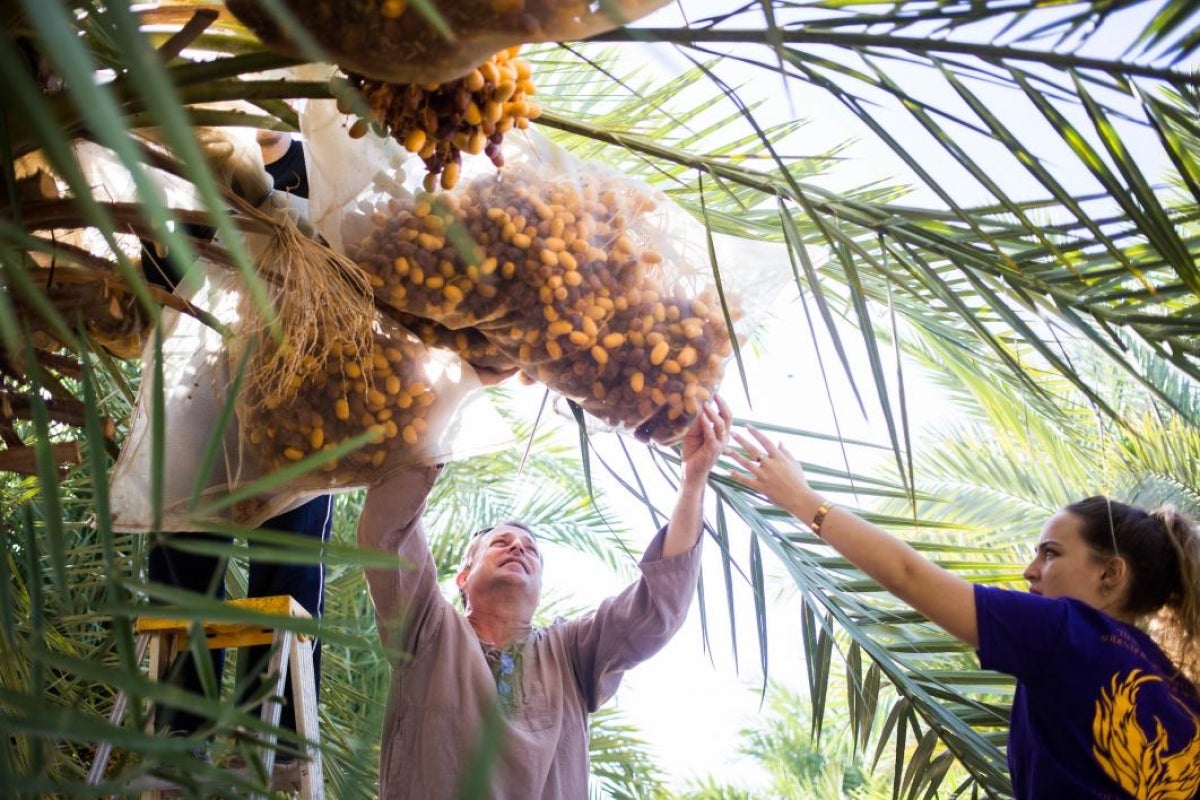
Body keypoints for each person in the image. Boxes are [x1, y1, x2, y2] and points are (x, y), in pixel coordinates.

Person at [727, 426, 1200, 800]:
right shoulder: (1183, 697)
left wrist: (801, 499)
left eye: (1051, 554)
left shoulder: (1066, 632)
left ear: (1110, 574)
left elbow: (909, 575)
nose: (1029, 570)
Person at [356, 395, 733, 798]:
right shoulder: (428, 631)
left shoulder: (571, 653)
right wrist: (445, 402)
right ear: (463, 577)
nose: (518, 548)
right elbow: (387, 533)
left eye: (530, 549)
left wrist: (693, 481)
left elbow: (658, 607)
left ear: (538, 589)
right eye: (501, 542)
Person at [145, 130, 332, 747]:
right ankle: (180, 733)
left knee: (291, 565)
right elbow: (159, 276)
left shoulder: (326, 163)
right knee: (185, 556)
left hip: (299, 403)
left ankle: (272, 738)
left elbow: (357, 265)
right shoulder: (195, 155)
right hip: (200, 390)